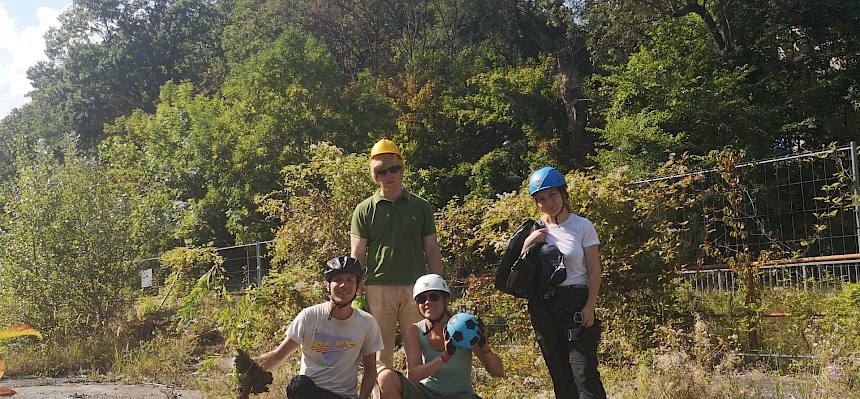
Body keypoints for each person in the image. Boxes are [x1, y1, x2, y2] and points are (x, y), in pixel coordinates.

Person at [350, 138, 444, 370]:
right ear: (375, 175)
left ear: (402, 169)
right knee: (381, 356)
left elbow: (432, 248)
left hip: (417, 290)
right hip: (378, 289)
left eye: (394, 169)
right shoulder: (364, 210)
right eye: (382, 171)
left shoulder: (420, 206)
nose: (389, 175)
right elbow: (357, 254)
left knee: (424, 349)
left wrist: (439, 288)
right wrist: (356, 292)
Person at [520, 166, 607, 399]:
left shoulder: (582, 226)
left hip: (575, 304)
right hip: (544, 308)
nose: (549, 203)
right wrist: (529, 241)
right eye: (541, 199)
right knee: (560, 377)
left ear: (563, 194)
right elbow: (520, 271)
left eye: (553, 195)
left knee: (584, 374)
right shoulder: (533, 229)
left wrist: (590, 306)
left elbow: (594, 269)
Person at [253, 256, 384, 399]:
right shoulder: (309, 316)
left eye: (349, 280)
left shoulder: (367, 323)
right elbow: (278, 355)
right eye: (337, 279)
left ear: (357, 286)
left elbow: (370, 370)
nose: (343, 285)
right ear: (328, 285)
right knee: (297, 385)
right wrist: (249, 367)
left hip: (342, 396)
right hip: (310, 391)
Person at [377, 274, 505, 399]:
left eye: (434, 297)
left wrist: (485, 348)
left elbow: (498, 372)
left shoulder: (464, 326)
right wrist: (445, 357)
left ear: (445, 300)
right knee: (385, 377)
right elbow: (414, 375)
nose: (427, 302)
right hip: (426, 393)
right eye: (422, 299)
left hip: (460, 395)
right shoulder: (415, 330)